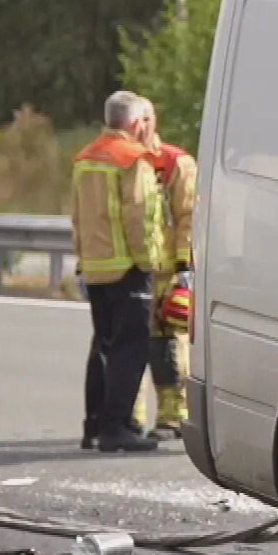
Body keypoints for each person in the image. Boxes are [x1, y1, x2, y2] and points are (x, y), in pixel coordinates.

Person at [73, 90, 168, 453]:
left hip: (96, 268)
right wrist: (150, 262)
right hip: (128, 267)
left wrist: (82, 261)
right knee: (131, 349)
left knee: (103, 344)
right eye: (144, 121)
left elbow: (77, 216)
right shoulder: (132, 160)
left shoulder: (85, 158)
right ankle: (116, 427)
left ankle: (94, 425)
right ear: (134, 123)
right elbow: (139, 217)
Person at [131, 102, 196, 441]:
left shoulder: (175, 164)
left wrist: (185, 269)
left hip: (167, 271)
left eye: (142, 120)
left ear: (151, 122)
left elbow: (187, 218)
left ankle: (173, 417)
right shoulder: (123, 162)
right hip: (132, 269)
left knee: (167, 346)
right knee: (130, 347)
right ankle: (132, 418)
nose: (136, 127)